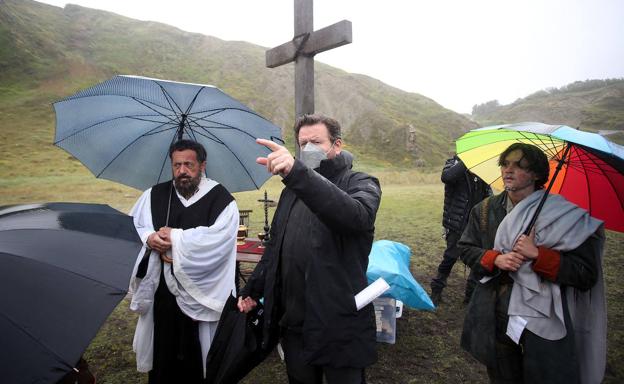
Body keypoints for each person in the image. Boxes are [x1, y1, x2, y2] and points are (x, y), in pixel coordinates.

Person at [237, 114, 382, 384]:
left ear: (337, 145)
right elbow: (275, 245)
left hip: (338, 319)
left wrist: (297, 173)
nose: (308, 149)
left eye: (316, 142)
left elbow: (355, 218)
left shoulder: (361, 183)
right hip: (295, 320)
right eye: (302, 144)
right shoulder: (291, 191)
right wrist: (253, 288)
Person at [459, 143, 606, 384]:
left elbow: (585, 274)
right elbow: (465, 249)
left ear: (537, 174)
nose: (508, 170)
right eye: (505, 164)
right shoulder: (484, 210)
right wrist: (495, 258)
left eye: (519, 165)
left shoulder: (566, 217)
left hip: (543, 319)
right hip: (495, 313)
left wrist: (538, 255)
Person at [128, 139, 239, 384]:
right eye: (177, 165)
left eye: (188, 165)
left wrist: (176, 239)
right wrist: (150, 238)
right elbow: (135, 225)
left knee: (198, 362)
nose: (182, 171)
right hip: (163, 295)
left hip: (201, 294)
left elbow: (219, 241)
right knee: (163, 358)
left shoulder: (222, 200)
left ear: (202, 165)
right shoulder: (155, 195)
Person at [430, 155, 490, 305]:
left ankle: (470, 297)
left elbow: (487, 193)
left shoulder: (481, 168)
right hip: (456, 223)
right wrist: (468, 161)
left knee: (476, 260)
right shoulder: (453, 163)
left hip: (476, 224)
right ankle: (436, 290)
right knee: (450, 257)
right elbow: (447, 177)